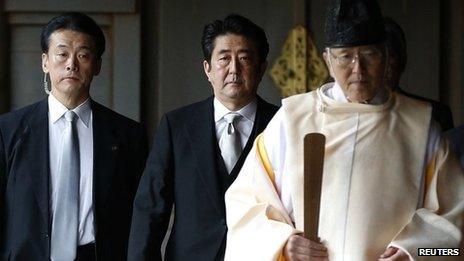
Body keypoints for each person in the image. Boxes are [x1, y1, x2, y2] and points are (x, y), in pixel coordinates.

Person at [224, 0, 464, 260]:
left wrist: (415, 251)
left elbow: (453, 238)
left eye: (369, 55)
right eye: (346, 57)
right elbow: (245, 207)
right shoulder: (292, 119)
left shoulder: (420, 126)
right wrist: (283, 244)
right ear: (327, 60)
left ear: (385, 56)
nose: (358, 69)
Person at [128, 14, 278, 261]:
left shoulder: (282, 124)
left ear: (262, 68)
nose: (234, 69)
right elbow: (150, 208)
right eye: (224, 58)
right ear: (207, 69)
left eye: (244, 58)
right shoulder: (177, 126)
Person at [0, 12, 148, 261]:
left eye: (83, 54)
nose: (71, 64)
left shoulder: (127, 135)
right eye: (62, 54)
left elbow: (141, 215)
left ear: (97, 65)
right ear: (45, 62)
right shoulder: (8, 130)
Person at [384, 17, 454, 131]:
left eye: (388, 62)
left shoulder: (436, 115)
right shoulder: (348, 117)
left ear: (402, 62)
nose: (380, 71)